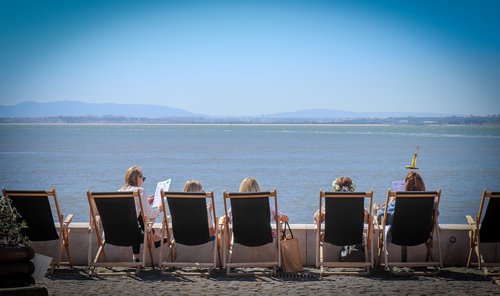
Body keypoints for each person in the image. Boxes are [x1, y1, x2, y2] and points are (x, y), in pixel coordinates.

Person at [118, 166, 164, 262]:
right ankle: (155, 237)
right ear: (137, 178)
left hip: (113, 235)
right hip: (132, 235)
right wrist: (159, 209)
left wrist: (145, 201)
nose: (143, 180)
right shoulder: (140, 191)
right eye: (143, 178)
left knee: (136, 217)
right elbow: (150, 214)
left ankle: (137, 257)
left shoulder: (120, 191)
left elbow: (127, 211)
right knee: (140, 220)